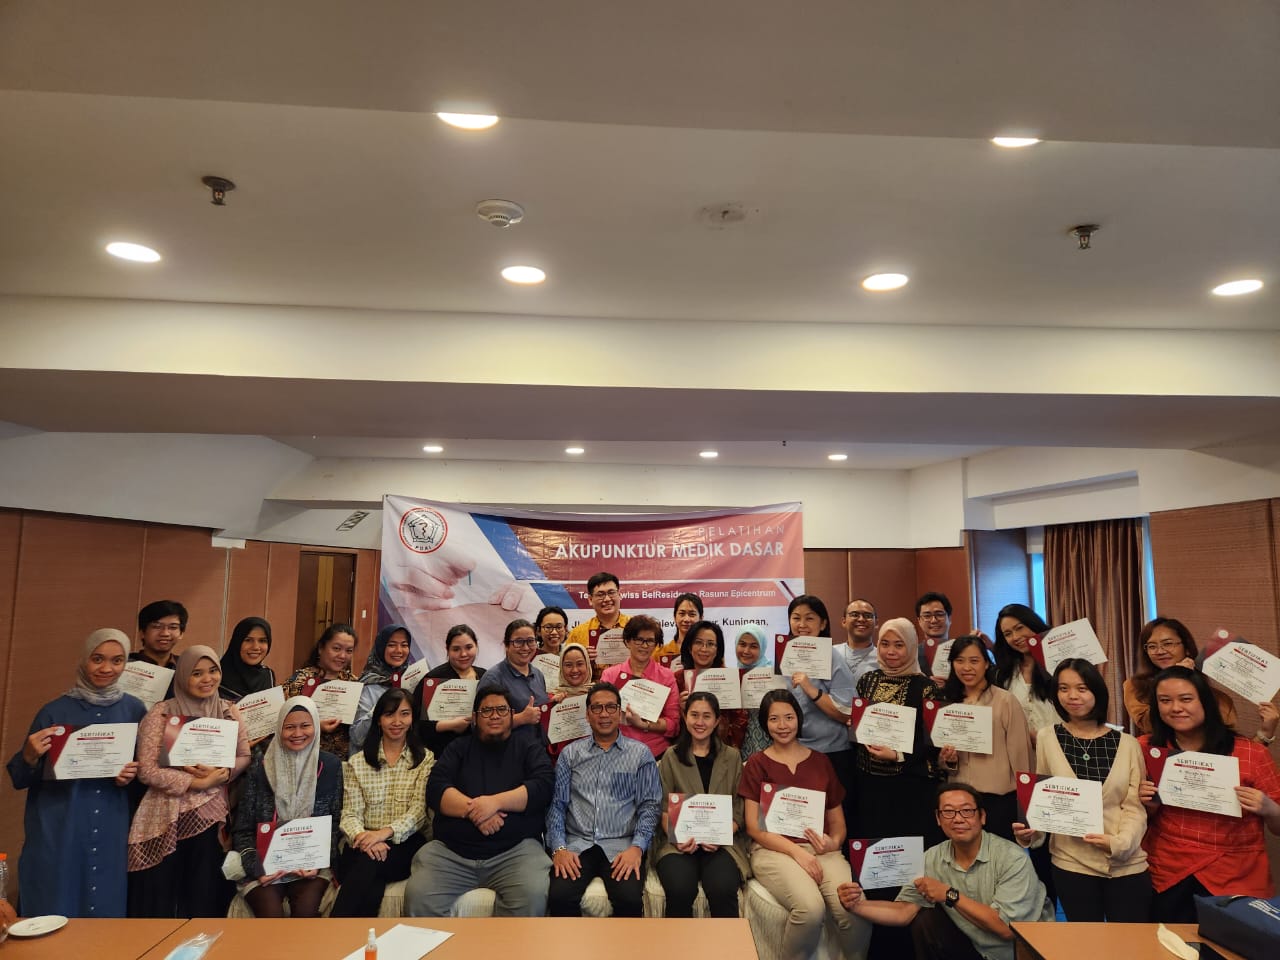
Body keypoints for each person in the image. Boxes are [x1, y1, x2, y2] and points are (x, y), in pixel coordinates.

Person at [6, 628, 145, 917]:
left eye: (117, 660)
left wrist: (130, 776)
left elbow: (144, 778)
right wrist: (29, 756)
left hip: (111, 822)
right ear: (84, 659)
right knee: (55, 901)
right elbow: (19, 778)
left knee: (105, 906)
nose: (106, 668)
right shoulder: (54, 711)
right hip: (61, 822)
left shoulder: (135, 710)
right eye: (97, 659)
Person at [838, 784, 1053, 960]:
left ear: (982, 817)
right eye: (948, 811)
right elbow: (904, 911)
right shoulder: (931, 858)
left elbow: (1006, 929)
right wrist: (857, 905)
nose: (958, 819)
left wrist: (949, 894)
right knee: (924, 919)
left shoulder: (1011, 857)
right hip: (973, 948)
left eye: (967, 811)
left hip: (1018, 952)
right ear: (938, 819)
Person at [1012, 659, 1150, 922]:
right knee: (1086, 941)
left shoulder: (1128, 744)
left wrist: (1118, 844)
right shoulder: (1047, 737)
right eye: (1063, 688)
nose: (1072, 696)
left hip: (1126, 863)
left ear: (1097, 692)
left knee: (1131, 941)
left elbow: (1134, 807)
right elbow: (1044, 798)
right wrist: (1031, 831)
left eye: (1082, 688)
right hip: (1071, 861)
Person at [1139, 666, 1280, 922]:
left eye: (1186, 699)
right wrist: (1146, 806)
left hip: (1236, 874)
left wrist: (1269, 808)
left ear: (1205, 701)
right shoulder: (1145, 749)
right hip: (1166, 870)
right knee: (1165, 941)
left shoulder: (1251, 753)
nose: (1175, 708)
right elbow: (1126, 818)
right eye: (1165, 700)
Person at [740, 690, 870, 960]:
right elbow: (753, 828)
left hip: (822, 850)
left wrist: (833, 842)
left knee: (854, 909)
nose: (782, 725)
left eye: (789, 717)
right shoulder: (756, 764)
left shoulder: (821, 761)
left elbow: (838, 824)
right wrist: (797, 853)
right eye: (774, 719)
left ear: (798, 719)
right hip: (774, 850)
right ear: (765, 723)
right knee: (810, 910)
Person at [405, 689, 555, 917]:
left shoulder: (528, 747)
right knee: (418, 896)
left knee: (532, 895)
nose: (494, 715)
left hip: (516, 852)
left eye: (501, 709)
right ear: (474, 717)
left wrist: (495, 803)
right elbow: (435, 788)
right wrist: (476, 811)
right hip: (451, 853)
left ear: (511, 715)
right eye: (486, 710)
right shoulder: (457, 748)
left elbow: (543, 786)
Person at [127, 645, 251, 918]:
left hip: (210, 815)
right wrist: (196, 783)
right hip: (165, 814)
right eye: (197, 673)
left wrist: (222, 773)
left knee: (202, 892)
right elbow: (146, 770)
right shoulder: (161, 713)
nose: (207, 679)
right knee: (161, 894)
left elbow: (244, 755)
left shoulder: (228, 711)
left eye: (213, 671)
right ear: (183, 676)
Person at [546, 682, 662, 917]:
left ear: (620, 713)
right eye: (597, 708)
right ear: (587, 714)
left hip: (622, 846)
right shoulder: (570, 754)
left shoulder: (640, 754)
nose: (604, 714)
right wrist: (558, 848)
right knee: (559, 896)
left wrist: (637, 848)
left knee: (629, 900)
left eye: (610, 707)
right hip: (578, 844)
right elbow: (556, 806)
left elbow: (650, 807)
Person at [231, 698, 342, 918]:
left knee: (305, 910)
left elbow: (335, 823)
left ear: (316, 726)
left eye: (305, 725)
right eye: (289, 727)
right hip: (265, 863)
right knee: (270, 913)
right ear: (279, 728)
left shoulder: (330, 766)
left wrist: (318, 862)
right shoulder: (260, 767)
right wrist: (257, 867)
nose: (297, 733)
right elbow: (243, 829)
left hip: (310, 864)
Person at [333, 688, 433, 917]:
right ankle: (364, 937)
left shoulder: (424, 759)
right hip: (363, 842)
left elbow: (418, 811)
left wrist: (382, 834)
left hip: (406, 843)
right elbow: (349, 814)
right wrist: (364, 837)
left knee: (368, 865)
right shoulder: (357, 762)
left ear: (413, 718)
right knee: (370, 875)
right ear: (378, 719)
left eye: (404, 714)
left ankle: (334, 931)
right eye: (389, 714)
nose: (397, 721)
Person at [654, 692, 748, 917]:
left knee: (722, 888)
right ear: (685, 717)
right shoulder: (671, 756)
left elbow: (739, 808)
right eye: (694, 715)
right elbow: (663, 807)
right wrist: (678, 838)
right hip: (678, 843)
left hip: (721, 844)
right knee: (680, 889)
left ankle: (724, 942)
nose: (700, 722)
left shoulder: (732, 757)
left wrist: (720, 835)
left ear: (717, 721)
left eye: (707, 716)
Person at [853, 618, 942, 846]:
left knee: (906, 849)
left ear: (911, 646)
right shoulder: (867, 680)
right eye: (885, 644)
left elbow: (932, 740)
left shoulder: (926, 687)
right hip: (869, 784)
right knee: (874, 848)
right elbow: (859, 725)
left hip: (909, 784)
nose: (890, 651)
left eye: (899, 645)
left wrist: (897, 755)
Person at [937, 636, 1032, 842]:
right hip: (960, 802)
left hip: (999, 802)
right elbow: (944, 764)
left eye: (974, 661)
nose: (966, 668)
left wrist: (1026, 809)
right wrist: (948, 760)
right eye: (959, 660)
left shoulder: (1005, 701)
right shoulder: (947, 703)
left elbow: (1022, 758)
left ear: (987, 663)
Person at [782, 595, 857, 832]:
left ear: (823, 623)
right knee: (799, 823)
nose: (802, 624)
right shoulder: (784, 655)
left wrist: (811, 689)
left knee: (833, 825)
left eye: (809, 618)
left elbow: (847, 713)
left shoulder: (833, 657)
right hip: (793, 753)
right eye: (796, 618)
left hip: (831, 754)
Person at [1122, 617, 1240, 736]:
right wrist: (1174, 676)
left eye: (1168, 644)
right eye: (1152, 646)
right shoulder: (1135, 686)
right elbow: (1148, 725)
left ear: (1187, 648)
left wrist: (1190, 681)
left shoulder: (1214, 693)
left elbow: (1227, 724)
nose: (1160, 651)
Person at [600, 615, 680, 758]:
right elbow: (601, 716)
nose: (644, 646)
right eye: (639, 640)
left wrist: (644, 725)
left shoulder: (667, 676)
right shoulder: (610, 675)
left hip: (656, 753)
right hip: (617, 753)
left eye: (650, 641)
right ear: (627, 641)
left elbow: (673, 724)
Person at [283, 624, 358, 757]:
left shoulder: (353, 683)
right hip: (302, 757)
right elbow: (282, 721)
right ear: (321, 648)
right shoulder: (300, 680)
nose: (342, 655)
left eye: (349, 651)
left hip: (343, 760)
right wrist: (316, 725)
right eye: (336, 648)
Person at [414, 623, 487, 757]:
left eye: (469, 647)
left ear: (476, 646)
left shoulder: (485, 676)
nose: (463, 654)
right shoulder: (433, 679)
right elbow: (417, 724)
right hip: (442, 754)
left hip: (479, 752)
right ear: (447, 650)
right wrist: (448, 725)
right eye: (456, 649)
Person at [991, 604, 1058, 745]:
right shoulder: (1004, 674)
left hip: (1060, 749)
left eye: (1019, 628)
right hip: (1022, 752)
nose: (1015, 637)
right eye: (1008, 634)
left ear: (1032, 623)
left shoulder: (1060, 663)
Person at [351, 623, 417, 754]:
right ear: (381, 647)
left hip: (406, 758)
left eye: (404, 645)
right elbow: (357, 737)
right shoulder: (368, 685)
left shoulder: (412, 679)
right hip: (372, 758)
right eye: (391, 645)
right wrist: (382, 705)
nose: (399, 650)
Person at [476, 619, 549, 728]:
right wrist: (520, 719)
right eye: (518, 642)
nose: (525, 647)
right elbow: (479, 723)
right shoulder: (493, 678)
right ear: (506, 645)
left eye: (530, 641)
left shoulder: (538, 674)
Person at [566, 571, 631, 654]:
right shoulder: (577, 634)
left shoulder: (636, 628)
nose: (607, 599)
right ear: (590, 599)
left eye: (611, 593)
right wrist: (582, 657)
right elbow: (568, 661)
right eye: (600, 595)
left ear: (619, 595)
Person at [734, 625, 771, 758]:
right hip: (740, 743)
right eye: (742, 644)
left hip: (769, 741)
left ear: (762, 648)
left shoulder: (773, 675)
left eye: (754, 646)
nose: (746, 651)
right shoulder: (732, 677)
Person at [218, 616, 276, 702]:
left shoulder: (266, 676)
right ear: (237, 642)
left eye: (262, 641)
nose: (256, 647)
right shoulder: (216, 677)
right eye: (248, 640)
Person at [132, 599, 187, 669]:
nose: (165, 633)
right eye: (157, 626)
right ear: (142, 633)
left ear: (181, 633)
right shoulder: (125, 665)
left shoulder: (186, 667)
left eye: (173, 627)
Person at [840, 598, 879, 686]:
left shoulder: (883, 659)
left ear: (876, 623)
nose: (861, 619)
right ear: (844, 621)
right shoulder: (831, 653)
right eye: (854, 615)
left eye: (868, 616)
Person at [915, 592, 954, 681]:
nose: (933, 620)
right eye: (927, 616)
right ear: (919, 621)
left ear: (949, 618)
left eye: (939, 614)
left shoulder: (961, 652)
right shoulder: (912, 655)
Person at [654, 592, 703, 661]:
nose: (686, 619)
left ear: (701, 618)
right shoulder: (660, 653)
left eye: (692, 614)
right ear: (675, 617)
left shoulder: (710, 652)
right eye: (682, 613)